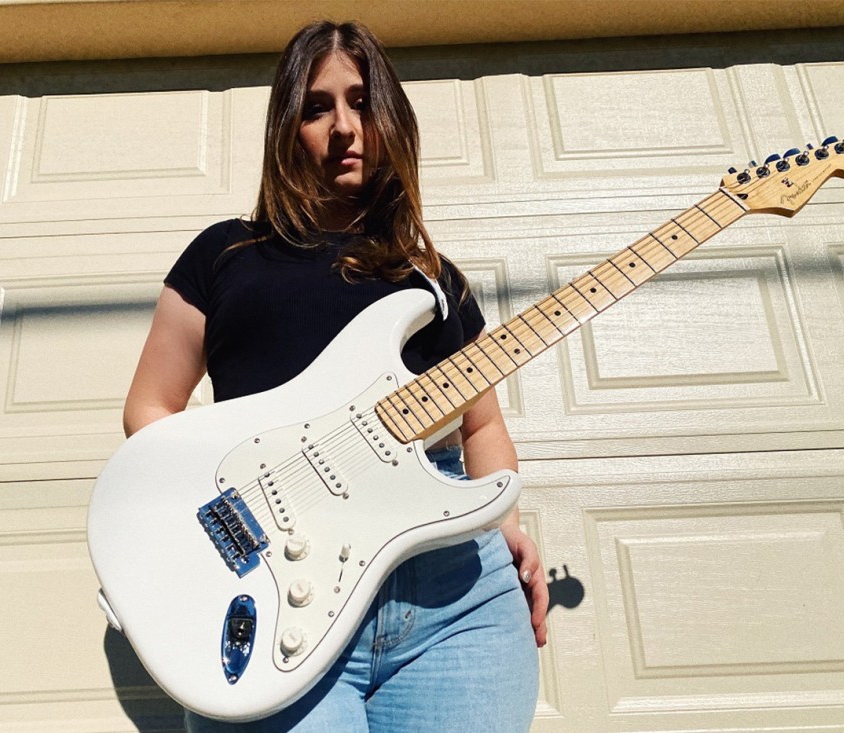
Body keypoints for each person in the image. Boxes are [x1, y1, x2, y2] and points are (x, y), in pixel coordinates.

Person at [123, 20, 547, 732]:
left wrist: (502, 520)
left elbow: (481, 423)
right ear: (287, 128)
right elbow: (150, 407)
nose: (343, 127)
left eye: (361, 103)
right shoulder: (225, 254)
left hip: (454, 604)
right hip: (280, 588)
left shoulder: (433, 282)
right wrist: (235, 510)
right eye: (317, 107)